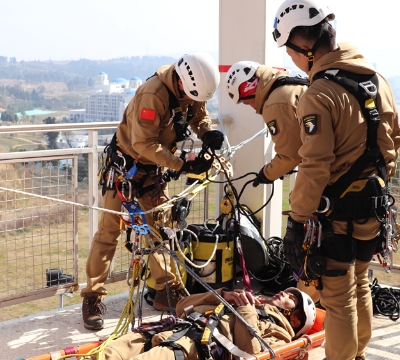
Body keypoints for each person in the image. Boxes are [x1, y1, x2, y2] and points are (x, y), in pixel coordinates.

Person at [273, 1, 400, 359]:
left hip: (337, 216)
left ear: (305, 48)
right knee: (360, 281)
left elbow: (314, 165)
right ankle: (358, 352)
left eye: (290, 51)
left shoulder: (319, 95)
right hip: (374, 208)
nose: (291, 59)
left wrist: (297, 221)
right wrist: (373, 184)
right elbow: (394, 138)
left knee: (338, 296)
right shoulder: (376, 80)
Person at [81, 52, 224, 330]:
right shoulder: (153, 95)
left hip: (154, 171)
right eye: (192, 97)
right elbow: (143, 143)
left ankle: (166, 291)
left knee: (159, 231)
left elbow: (199, 115)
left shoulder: (193, 87)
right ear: (182, 82)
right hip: (127, 171)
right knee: (109, 232)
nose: (194, 102)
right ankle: (92, 296)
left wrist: (206, 132)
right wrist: (181, 165)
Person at [101, 287, 316, 360]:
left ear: (295, 319)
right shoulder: (248, 302)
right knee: (105, 354)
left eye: (292, 298)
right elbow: (181, 306)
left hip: (188, 347)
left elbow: (251, 353)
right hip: (170, 330)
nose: (284, 293)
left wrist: (246, 311)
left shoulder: (280, 332)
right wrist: (220, 296)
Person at [224, 61, 308, 186]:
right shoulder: (289, 85)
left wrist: (267, 174)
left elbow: (290, 154)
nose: (252, 108)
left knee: (300, 202)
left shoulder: (274, 103)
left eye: (247, 103)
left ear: (249, 89)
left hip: (335, 164)